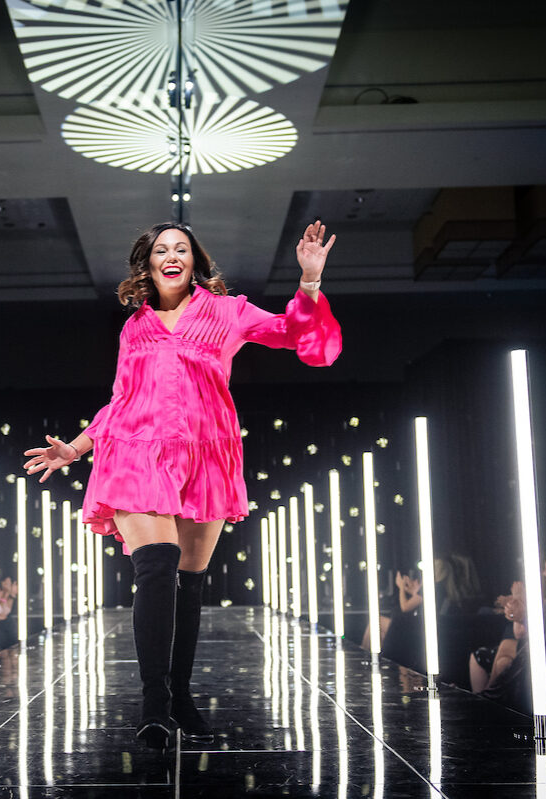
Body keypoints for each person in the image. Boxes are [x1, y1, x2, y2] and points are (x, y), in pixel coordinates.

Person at [24, 220, 341, 749]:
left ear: (195, 261)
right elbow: (122, 401)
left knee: (188, 585)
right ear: (147, 264)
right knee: (156, 565)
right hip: (136, 451)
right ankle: (153, 704)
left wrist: (309, 282)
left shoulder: (228, 312)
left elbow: (298, 337)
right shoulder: (135, 328)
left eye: (181, 249)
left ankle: (180, 696)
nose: (171, 256)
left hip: (205, 454)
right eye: (161, 250)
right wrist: (76, 449)